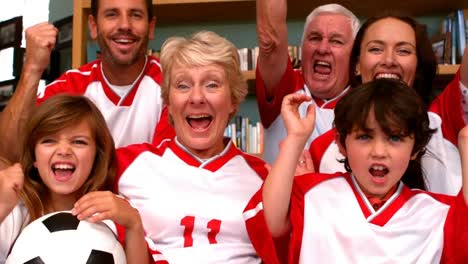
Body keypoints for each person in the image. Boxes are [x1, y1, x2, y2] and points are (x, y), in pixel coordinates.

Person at [78, 30, 269, 263]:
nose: (197, 97)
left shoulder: (264, 177)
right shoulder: (127, 163)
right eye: (183, 86)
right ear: (168, 100)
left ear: (233, 101)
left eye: (212, 84)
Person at [244, 79, 468, 263]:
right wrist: (296, 137)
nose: (379, 151)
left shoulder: (439, 214)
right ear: (341, 144)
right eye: (364, 137)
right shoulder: (312, 193)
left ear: (416, 149)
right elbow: (271, 224)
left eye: (395, 138)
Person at [309, 13, 468, 195]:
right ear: (357, 65)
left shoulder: (443, 124)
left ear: (417, 66)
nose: (389, 60)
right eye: (376, 49)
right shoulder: (324, 148)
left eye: (404, 51)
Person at [0, 0, 174, 163]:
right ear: (93, 26)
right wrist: (32, 68)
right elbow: (9, 154)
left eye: (135, 15)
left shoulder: (174, 84)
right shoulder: (71, 85)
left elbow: (168, 167)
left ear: (150, 27)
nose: (124, 25)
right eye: (112, 14)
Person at [0, 95, 166, 263]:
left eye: (79, 142)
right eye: (49, 141)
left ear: (97, 156)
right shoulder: (14, 212)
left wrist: (134, 225)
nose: (64, 150)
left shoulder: (113, 210)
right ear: (34, 156)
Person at [255, 0, 360, 163]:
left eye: (336, 41)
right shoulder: (286, 88)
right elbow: (270, 40)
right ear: (302, 48)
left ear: (356, 58)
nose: (323, 48)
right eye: (315, 38)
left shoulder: (367, 101)